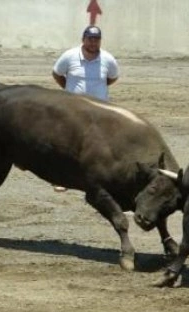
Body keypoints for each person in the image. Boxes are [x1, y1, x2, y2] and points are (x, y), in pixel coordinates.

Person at [50, 25, 119, 191]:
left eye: (96, 40)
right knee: (68, 144)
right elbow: (57, 74)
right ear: (83, 39)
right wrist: (69, 89)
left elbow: (111, 78)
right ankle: (62, 179)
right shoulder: (69, 56)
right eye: (90, 39)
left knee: (100, 145)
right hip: (73, 109)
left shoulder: (108, 59)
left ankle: (101, 178)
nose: (93, 43)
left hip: (99, 110)